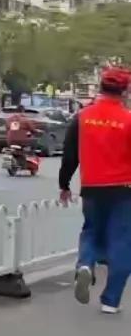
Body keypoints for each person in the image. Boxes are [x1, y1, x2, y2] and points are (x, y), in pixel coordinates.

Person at [58, 66, 131, 315]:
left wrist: (64, 184)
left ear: (100, 87)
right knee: (122, 243)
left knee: (90, 231)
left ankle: (85, 265)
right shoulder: (129, 120)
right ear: (124, 91)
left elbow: (69, 155)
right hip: (123, 190)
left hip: (91, 187)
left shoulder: (82, 117)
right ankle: (111, 301)